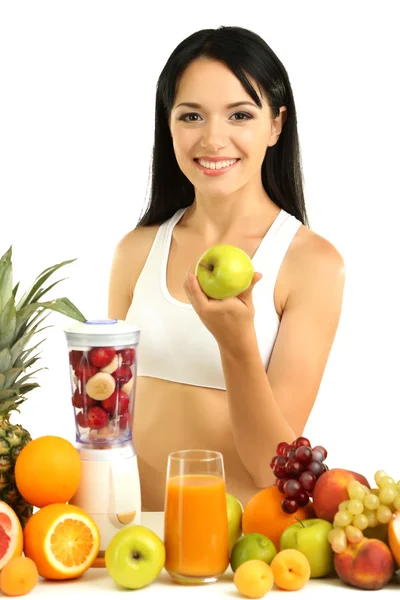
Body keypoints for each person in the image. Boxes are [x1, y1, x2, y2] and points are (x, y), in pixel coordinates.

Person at [108, 25, 345, 511]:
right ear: (168, 124)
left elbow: (270, 468)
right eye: (191, 115)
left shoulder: (311, 264)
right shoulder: (136, 251)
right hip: (126, 548)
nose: (214, 139)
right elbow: (109, 420)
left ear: (276, 125)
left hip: (235, 560)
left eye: (240, 114)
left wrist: (237, 344)